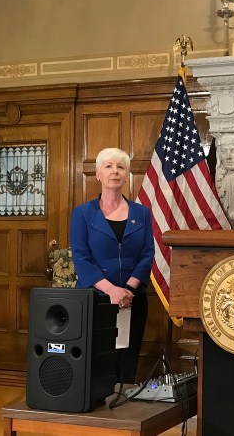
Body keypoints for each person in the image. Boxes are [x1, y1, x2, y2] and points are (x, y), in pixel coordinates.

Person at [70, 147, 154, 384]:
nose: (114, 171)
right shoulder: (82, 214)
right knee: (96, 359)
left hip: (132, 299)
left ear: (127, 175)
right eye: (108, 166)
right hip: (94, 297)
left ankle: (123, 409)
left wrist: (127, 289)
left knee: (126, 359)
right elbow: (81, 258)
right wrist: (111, 291)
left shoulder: (143, 213)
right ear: (98, 174)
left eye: (120, 167)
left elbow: (147, 254)